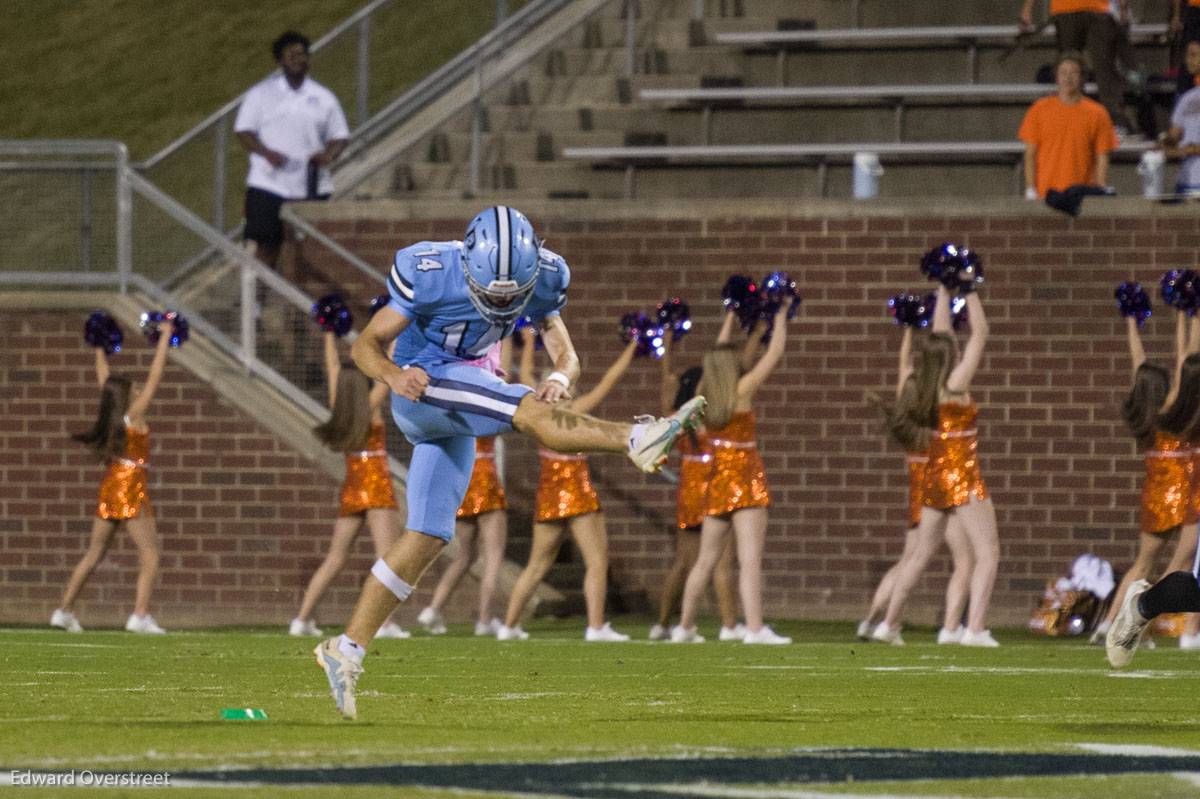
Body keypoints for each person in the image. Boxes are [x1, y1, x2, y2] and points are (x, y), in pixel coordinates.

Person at [314, 206, 705, 719]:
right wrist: (390, 375)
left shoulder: (544, 276)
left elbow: (566, 354)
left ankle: (345, 650)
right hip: (424, 385)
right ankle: (636, 437)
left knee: (429, 536)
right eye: (491, 294)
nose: (500, 302)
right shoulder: (432, 272)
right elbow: (366, 344)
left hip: (457, 404)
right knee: (530, 414)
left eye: (510, 296)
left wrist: (562, 378)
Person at [875, 283, 1001, 647]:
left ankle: (889, 624)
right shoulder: (956, 382)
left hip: (933, 477)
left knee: (919, 555)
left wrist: (946, 289)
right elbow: (981, 333)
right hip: (961, 474)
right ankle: (974, 629)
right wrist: (972, 287)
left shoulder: (926, 384)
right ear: (949, 358)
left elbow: (940, 333)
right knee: (988, 552)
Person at [496, 328, 638, 642]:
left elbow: (526, 377)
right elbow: (608, 381)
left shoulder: (535, 413)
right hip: (577, 492)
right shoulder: (574, 411)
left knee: (535, 565)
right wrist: (632, 346)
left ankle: (508, 626)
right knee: (597, 562)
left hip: (548, 494)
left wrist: (531, 342)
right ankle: (596, 627)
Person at [51, 316, 178, 634]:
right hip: (132, 485)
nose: (140, 390)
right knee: (150, 553)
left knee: (94, 552)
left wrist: (99, 348)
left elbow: (104, 380)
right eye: (135, 389)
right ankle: (140, 614)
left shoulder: (112, 413)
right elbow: (156, 375)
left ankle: (63, 611)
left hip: (110, 484)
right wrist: (165, 338)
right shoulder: (134, 415)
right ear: (130, 397)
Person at [673, 310, 792, 645]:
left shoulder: (704, 398)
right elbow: (775, 352)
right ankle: (754, 629)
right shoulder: (742, 391)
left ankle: (684, 627)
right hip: (746, 481)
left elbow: (717, 352)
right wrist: (781, 315)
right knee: (750, 560)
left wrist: (727, 320)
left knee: (705, 560)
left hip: (717, 483)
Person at [289, 331, 409, 639]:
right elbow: (389, 370)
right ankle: (385, 623)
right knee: (387, 557)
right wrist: (397, 334)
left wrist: (329, 332)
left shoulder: (341, 410)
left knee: (335, 557)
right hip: (378, 486)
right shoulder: (370, 408)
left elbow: (333, 370)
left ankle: (302, 619)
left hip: (353, 488)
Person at [859, 324, 972, 646]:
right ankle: (951, 627)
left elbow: (904, 370)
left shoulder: (910, 408)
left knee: (909, 561)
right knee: (965, 561)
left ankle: (872, 620)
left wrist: (908, 328)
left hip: (916, 493)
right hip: (942, 488)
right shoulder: (941, 403)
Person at [1092, 309, 1200, 644]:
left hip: (1154, 492)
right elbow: (1186, 358)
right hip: (1182, 490)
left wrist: (1129, 322)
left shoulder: (1146, 409)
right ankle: (1143, 619)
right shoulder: (1173, 406)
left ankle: (1107, 625)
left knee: (1142, 564)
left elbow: (1140, 363)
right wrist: (1189, 313)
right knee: (1184, 561)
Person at [416, 341, 514, 637]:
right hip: (483, 473)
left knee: (466, 554)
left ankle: (433, 609)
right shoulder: (488, 390)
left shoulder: (453, 392)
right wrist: (507, 333)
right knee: (494, 554)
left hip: (462, 474)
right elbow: (504, 379)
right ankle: (484, 619)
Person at [649, 333, 742, 642]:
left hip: (688, 485)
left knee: (684, 561)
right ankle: (730, 625)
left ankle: (662, 624)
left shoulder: (678, 417)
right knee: (722, 560)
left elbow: (667, 389)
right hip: (712, 482)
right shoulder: (713, 414)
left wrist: (667, 352)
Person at [234, 30, 349, 270]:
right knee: (267, 248)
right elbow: (243, 131)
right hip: (268, 184)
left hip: (310, 185)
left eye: (301, 54)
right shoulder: (262, 94)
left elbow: (339, 136)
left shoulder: (323, 97)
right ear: (279, 61)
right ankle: (256, 304)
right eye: (290, 55)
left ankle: (299, 304)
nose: (297, 59)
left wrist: (328, 156)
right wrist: (266, 152)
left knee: (309, 250)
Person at [1018, 0, 1136, 137]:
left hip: (1098, 9)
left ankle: (1117, 124)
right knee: (1068, 67)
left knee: (1105, 69)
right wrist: (1027, 9)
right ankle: (1069, 120)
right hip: (1065, 8)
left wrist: (1123, 7)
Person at [1019, 53, 1120, 199]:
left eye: (1074, 72)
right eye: (1063, 72)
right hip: (1045, 194)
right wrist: (1030, 188)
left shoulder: (1098, 113)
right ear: (1056, 77)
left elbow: (1102, 156)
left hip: (1082, 197)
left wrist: (1100, 188)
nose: (1068, 77)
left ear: (1082, 77)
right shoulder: (1038, 110)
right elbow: (1030, 154)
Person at [1159, 41, 1200, 195]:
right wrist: (1164, 143)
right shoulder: (1186, 98)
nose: (1188, 60)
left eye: (1194, 55)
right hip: (1185, 181)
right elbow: (1173, 137)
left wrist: (1187, 149)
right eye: (1187, 55)